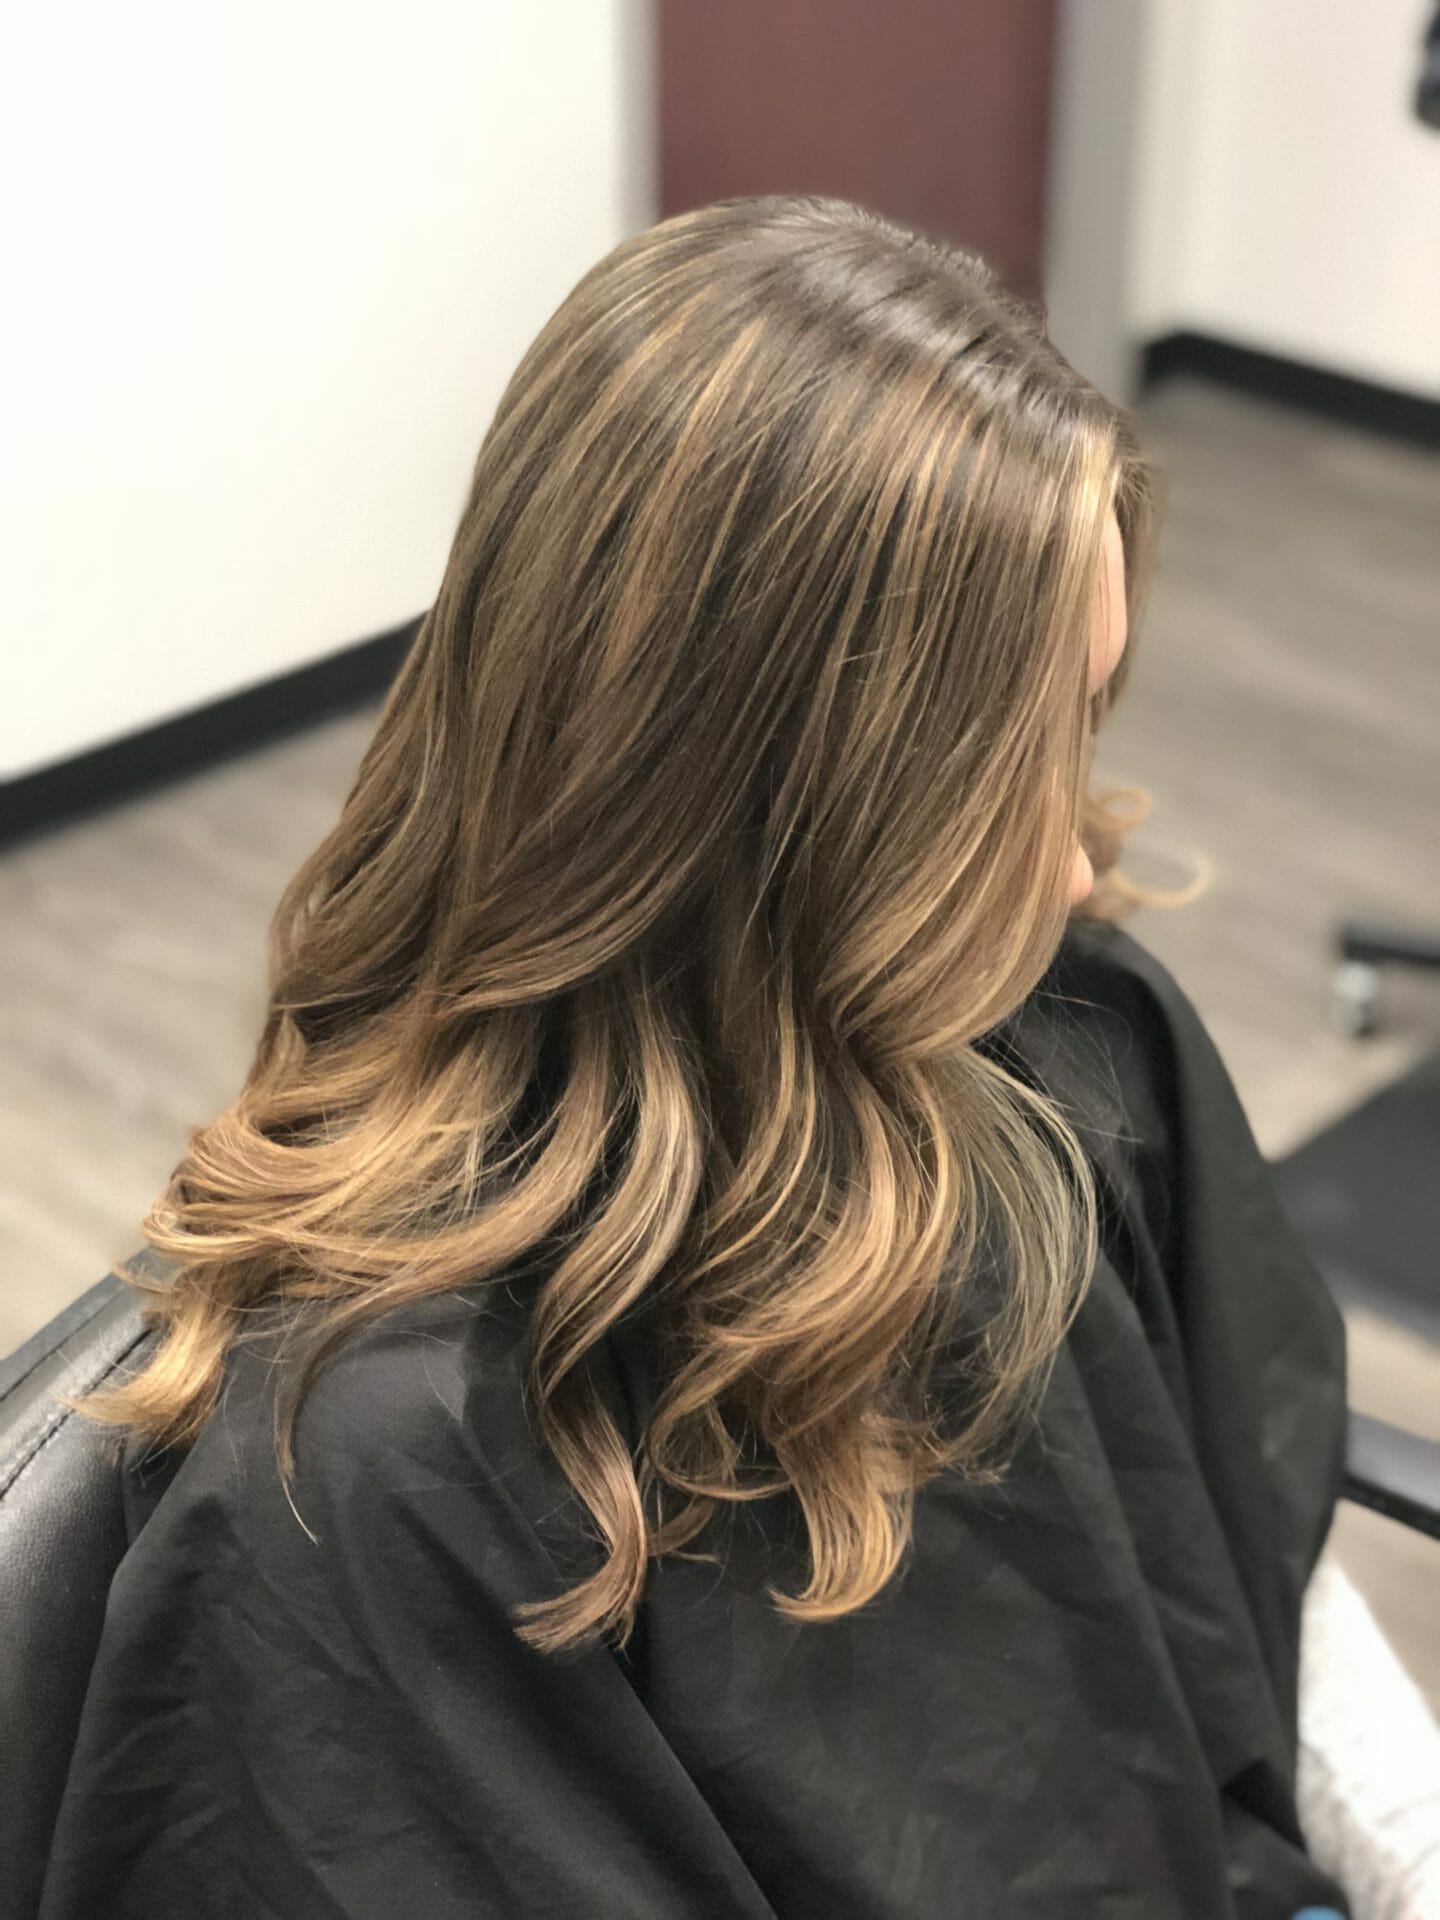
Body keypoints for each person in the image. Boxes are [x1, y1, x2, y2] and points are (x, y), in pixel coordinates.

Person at [40, 195, 1351, 1918]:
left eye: (1080, 730)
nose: (1074, 868)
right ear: (773, 814)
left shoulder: (1062, 1045)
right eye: (1008, 771)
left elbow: (1243, 1603)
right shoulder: (386, 1479)